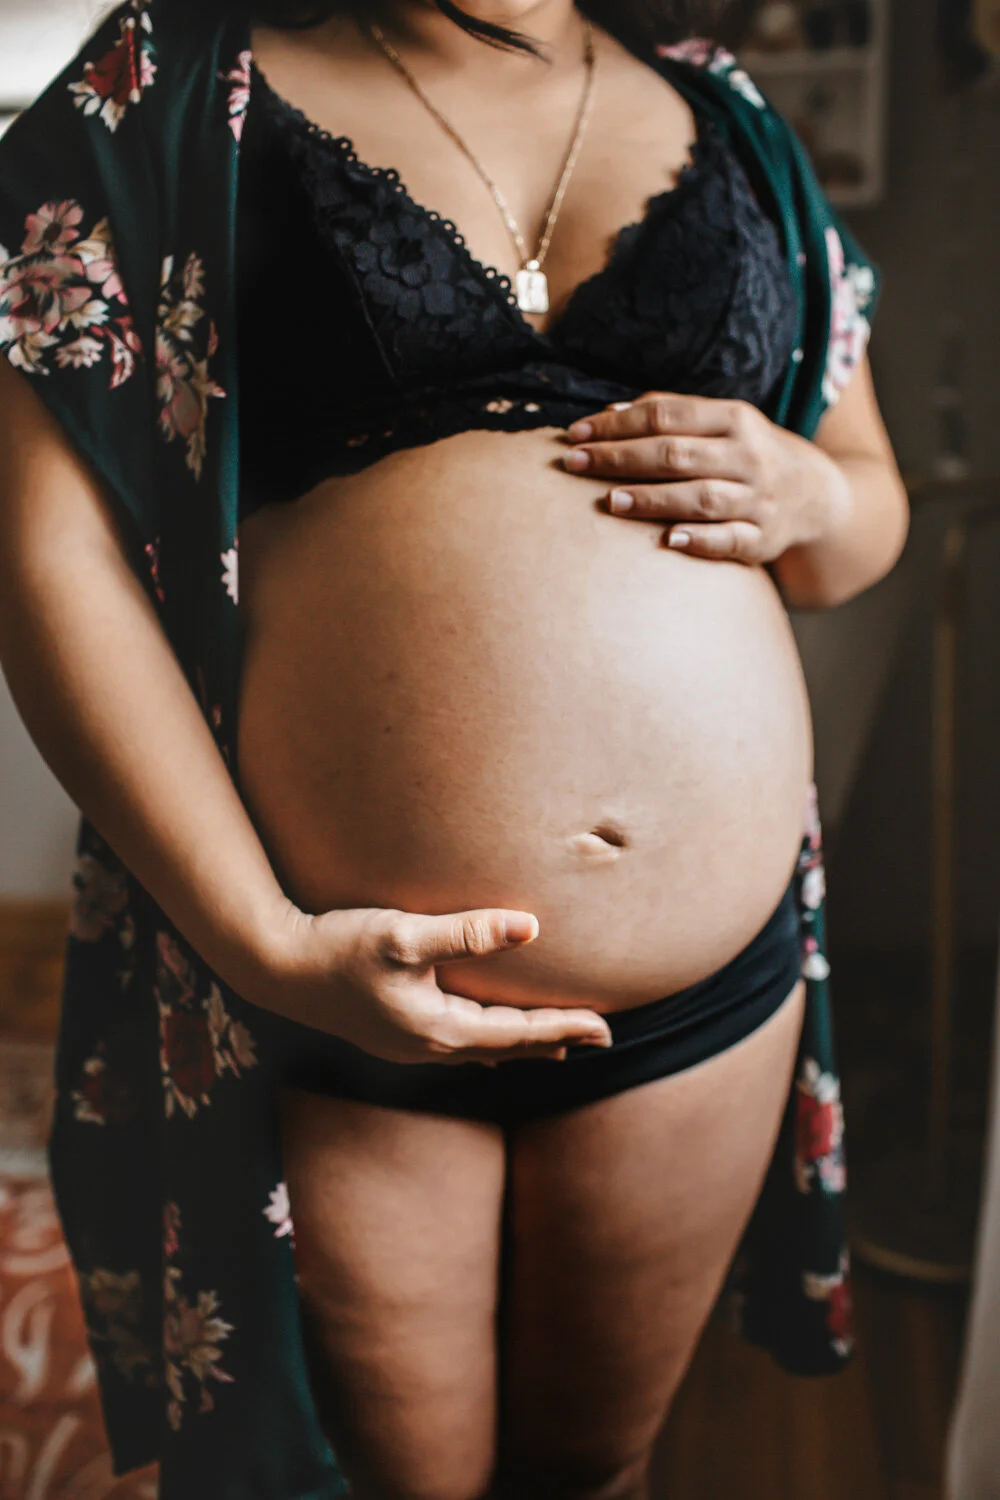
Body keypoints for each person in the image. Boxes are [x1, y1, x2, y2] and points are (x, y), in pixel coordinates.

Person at [0, 2, 908, 1495]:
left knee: (595, 1470)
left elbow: (863, 514)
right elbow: (55, 563)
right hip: (335, 973)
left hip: (696, 1005)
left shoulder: (726, 112)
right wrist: (266, 944)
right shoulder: (162, 82)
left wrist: (813, 492)